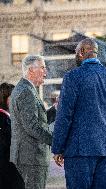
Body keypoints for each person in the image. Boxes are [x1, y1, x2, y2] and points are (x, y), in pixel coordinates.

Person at [52, 38, 106, 189]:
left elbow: (64, 115)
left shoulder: (72, 77)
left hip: (79, 151)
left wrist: (57, 148)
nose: (76, 56)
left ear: (82, 52)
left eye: (76, 53)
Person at [9, 55, 53, 189]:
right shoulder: (26, 91)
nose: (45, 72)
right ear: (31, 70)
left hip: (30, 158)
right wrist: (57, 142)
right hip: (30, 159)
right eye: (42, 68)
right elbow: (32, 127)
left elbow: (39, 120)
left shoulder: (27, 89)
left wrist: (56, 109)